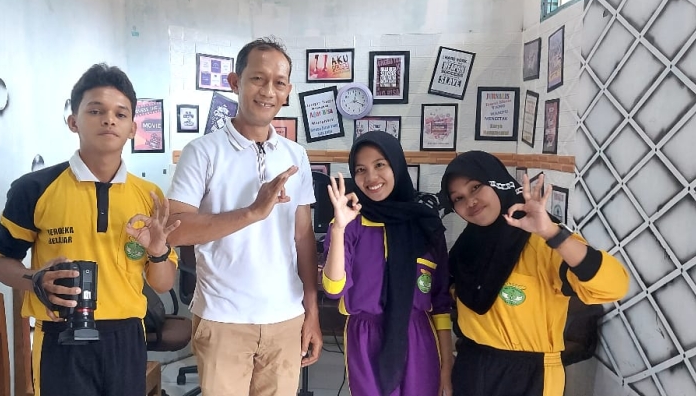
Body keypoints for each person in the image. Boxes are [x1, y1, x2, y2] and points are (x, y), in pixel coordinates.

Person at [0, 63, 180, 396]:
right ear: (73, 121)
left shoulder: (149, 197)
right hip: (60, 337)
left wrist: (158, 252)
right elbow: (0, 262)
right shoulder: (34, 189)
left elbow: (162, 283)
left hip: (126, 338)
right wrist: (34, 280)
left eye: (120, 114)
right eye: (96, 110)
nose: (109, 120)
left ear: (133, 128)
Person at [167, 37, 323, 396]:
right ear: (235, 82)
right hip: (223, 318)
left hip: (286, 318)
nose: (268, 91)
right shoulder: (202, 152)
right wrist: (252, 212)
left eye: (279, 83)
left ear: (287, 92)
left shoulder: (296, 155)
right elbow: (175, 229)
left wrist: (311, 312)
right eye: (257, 78)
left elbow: (303, 238)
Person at [440, 150, 629, 396]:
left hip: (529, 377)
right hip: (471, 367)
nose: (470, 201)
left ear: (497, 181)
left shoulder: (542, 242)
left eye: (475, 187)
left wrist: (552, 234)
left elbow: (613, 287)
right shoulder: (464, 249)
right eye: (458, 198)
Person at [321, 131, 454, 396]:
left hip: (417, 334)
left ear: (397, 165)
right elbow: (334, 289)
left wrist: (447, 365)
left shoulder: (425, 223)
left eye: (380, 165)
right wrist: (338, 229)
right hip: (366, 336)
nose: (371, 177)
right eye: (361, 170)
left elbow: (440, 301)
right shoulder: (351, 223)